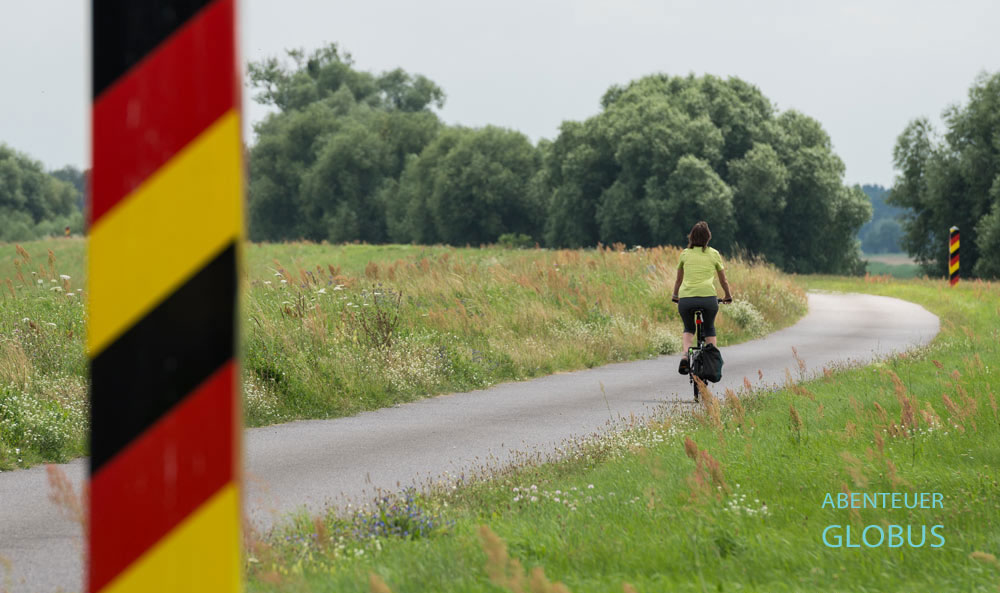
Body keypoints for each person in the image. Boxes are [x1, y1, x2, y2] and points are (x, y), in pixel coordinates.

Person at [670, 221, 732, 375]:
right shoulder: (714, 254)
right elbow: (723, 280)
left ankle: (685, 356)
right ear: (708, 237)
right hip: (708, 299)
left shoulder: (685, 253)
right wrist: (728, 296)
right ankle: (712, 362)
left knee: (689, 327)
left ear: (691, 237)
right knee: (709, 327)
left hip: (686, 299)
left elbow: (678, 280)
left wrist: (675, 295)